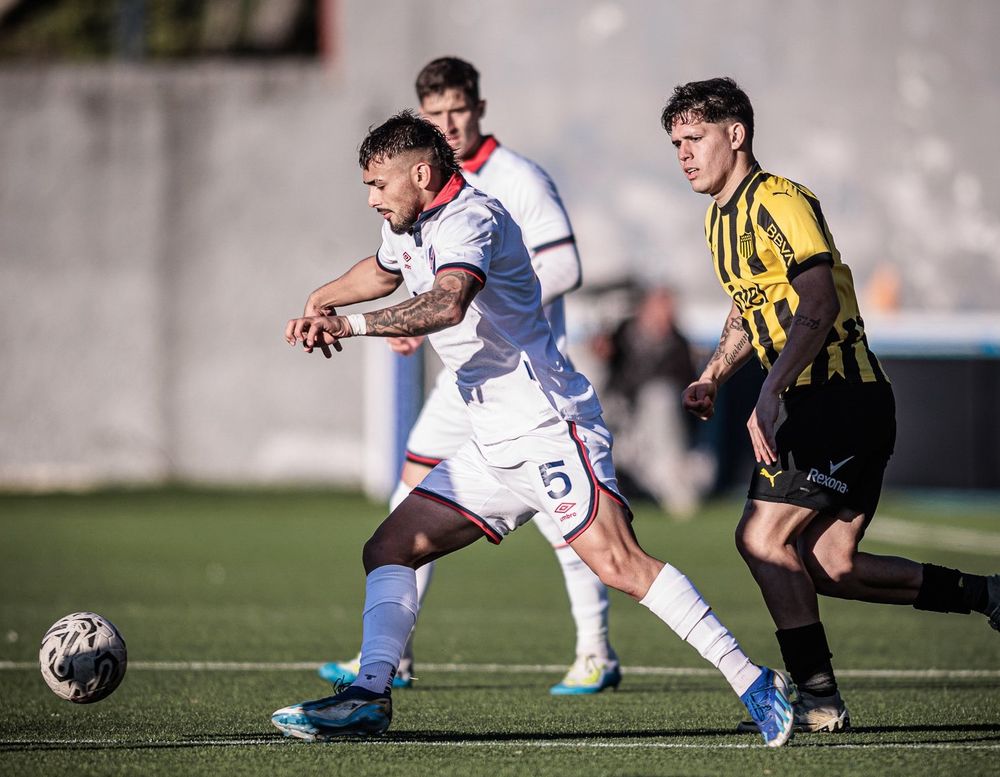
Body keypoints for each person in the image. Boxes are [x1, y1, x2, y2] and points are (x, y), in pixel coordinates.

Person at [271, 110, 794, 745]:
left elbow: (445, 302)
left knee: (621, 564)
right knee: (388, 548)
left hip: (551, 427)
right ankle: (369, 696)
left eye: (379, 185)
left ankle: (755, 681)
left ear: (421, 172)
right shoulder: (409, 225)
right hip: (493, 445)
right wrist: (323, 297)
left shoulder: (473, 217)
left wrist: (348, 326)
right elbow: (384, 270)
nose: (373, 199)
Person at [661, 77, 1000, 734]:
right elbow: (749, 305)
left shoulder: (780, 200)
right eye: (676, 142)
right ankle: (987, 592)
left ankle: (816, 697)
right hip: (825, 404)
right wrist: (715, 374)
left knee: (760, 539)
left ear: (736, 134)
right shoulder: (717, 219)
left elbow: (818, 302)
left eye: (695, 137)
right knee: (831, 563)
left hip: (843, 399)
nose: (684, 153)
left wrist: (769, 389)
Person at [318, 56, 619, 695]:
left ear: (478, 108)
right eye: (435, 114)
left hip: (526, 374)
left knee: (567, 518)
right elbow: (397, 272)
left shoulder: (515, 181)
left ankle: (595, 650)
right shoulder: (411, 195)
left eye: (457, 109)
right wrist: (402, 316)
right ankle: (389, 658)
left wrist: (480, 310)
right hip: (464, 378)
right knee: (410, 499)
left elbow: (561, 268)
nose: (448, 123)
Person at [591, 285, 710, 518]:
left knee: (659, 398)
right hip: (621, 414)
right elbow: (603, 357)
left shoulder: (678, 343)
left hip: (658, 427)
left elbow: (683, 387)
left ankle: (677, 495)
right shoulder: (623, 331)